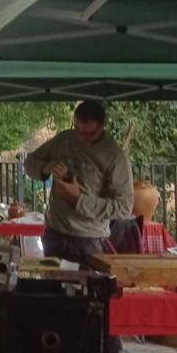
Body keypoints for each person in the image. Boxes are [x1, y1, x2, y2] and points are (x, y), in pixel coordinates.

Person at [24, 100, 133, 265]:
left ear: (102, 126)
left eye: (90, 134)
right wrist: (47, 167)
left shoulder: (115, 156)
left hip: (89, 240)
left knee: (86, 288)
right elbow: (29, 163)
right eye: (78, 130)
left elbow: (124, 208)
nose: (82, 138)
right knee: (49, 288)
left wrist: (78, 200)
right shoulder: (64, 139)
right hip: (55, 232)